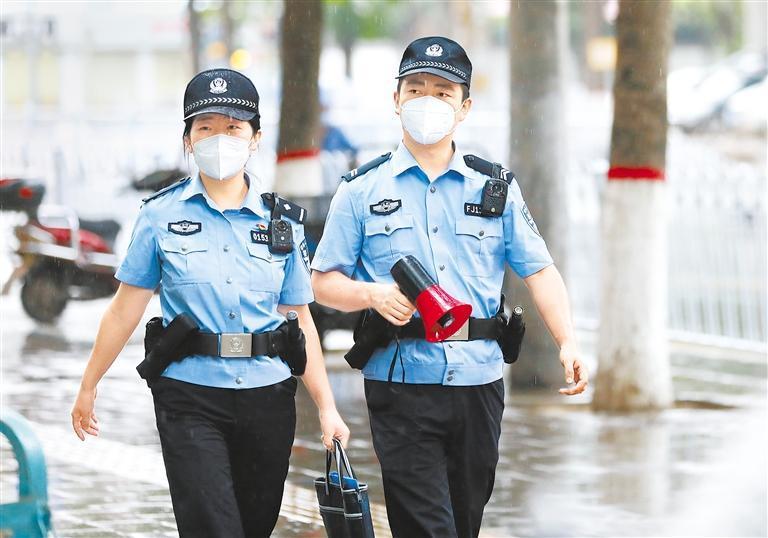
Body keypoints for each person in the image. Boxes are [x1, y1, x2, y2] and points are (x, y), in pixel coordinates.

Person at [311, 37, 588, 538]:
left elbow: (539, 269)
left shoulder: (494, 188)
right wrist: (371, 295)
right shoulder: (361, 190)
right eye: (414, 89)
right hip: (399, 383)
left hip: (478, 382)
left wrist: (567, 339)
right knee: (426, 527)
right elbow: (323, 282)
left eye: (442, 92)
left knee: (463, 523)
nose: (427, 101)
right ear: (396, 100)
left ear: (464, 107)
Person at [70, 68, 350, 538]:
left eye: (234, 127)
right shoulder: (160, 215)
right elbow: (125, 308)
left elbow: (298, 317)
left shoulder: (282, 223)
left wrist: (326, 407)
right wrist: (88, 385)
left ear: (255, 138)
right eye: (205, 127)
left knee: (253, 526)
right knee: (213, 528)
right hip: (189, 395)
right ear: (187, 140)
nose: (220, 138)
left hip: (268, 396)